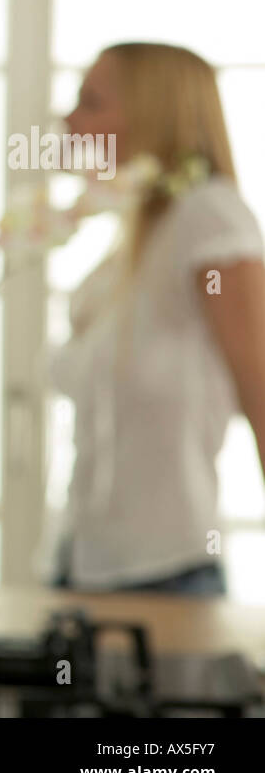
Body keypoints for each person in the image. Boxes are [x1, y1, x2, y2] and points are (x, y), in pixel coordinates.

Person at [47, 42, 265, 597]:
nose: (69, 119)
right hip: (86, 568)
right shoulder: (133, 236)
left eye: (90, 101)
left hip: (168, 575)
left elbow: (259, 383)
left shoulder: (209, 218)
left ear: (153, 113)